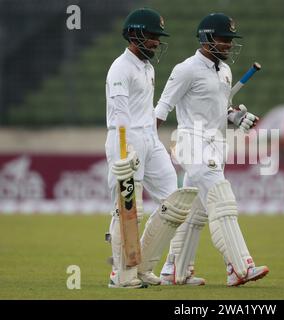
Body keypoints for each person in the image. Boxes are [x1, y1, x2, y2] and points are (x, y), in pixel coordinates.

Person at [155, 13, 269, 286]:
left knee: (195, 212)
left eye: (231, 39)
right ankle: (239, 267)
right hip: (191, 143)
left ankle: (174, 271)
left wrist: (236, 117)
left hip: (216, 145)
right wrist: (145, 144)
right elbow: (162, 109)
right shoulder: (186, 69)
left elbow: (220, 109)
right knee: (221, 198)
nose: (229, 44)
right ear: (206, 38)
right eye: (224, 39)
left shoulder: (225, 71)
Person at [104, 8, 198, 289]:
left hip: (148, 137)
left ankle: (142, 267)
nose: (157, 41)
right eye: (153, 36)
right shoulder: (120, 68)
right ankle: (120, 274)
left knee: (175, 201)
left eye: (158, 36)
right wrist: (124, 151)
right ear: (135, 35)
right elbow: (120, 114)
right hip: (125, 139)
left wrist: (152, 140)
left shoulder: (147, 67)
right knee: (129, 208)